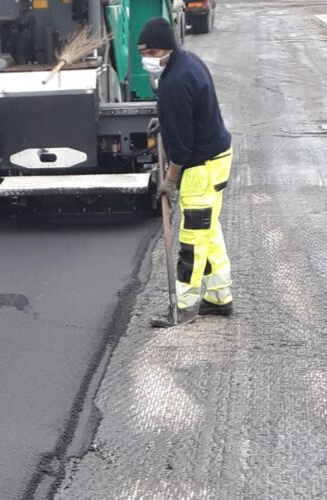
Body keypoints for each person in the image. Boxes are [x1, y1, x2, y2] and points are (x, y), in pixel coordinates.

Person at [137, 17, 234, 327]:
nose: (146, 60)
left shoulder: (175, 84)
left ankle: (184, 306)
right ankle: (219, 297)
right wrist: (165, 122)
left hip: (200, 167)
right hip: (217, 158)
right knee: (209, 230)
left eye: (150, 53)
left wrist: (170, 179)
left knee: (192, 238)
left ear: (165, 49)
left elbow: (180, 148)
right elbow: (189, 116)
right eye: (144, 53)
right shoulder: (187, 61)